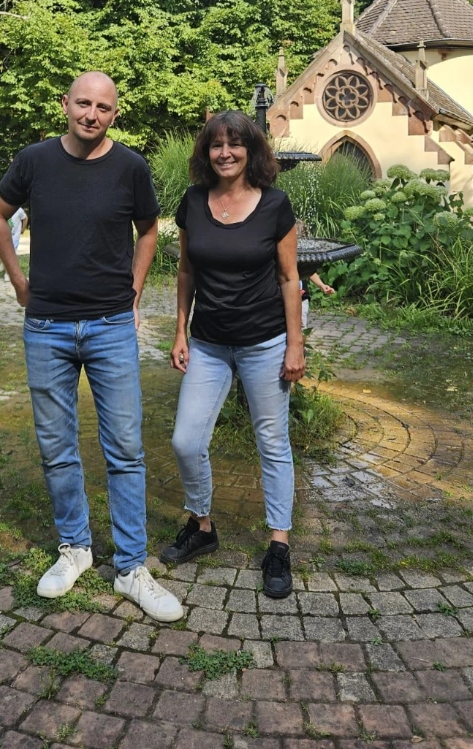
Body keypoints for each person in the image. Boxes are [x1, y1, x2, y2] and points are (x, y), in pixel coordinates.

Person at [0, 72, 183, 622]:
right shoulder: (34, 161)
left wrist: (134, 289)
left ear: (114, 114)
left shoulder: (131, 167)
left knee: (125, 449)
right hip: (47, 327)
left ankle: (130, 567)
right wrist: (18, 281)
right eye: (83, 104)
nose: (91, 115)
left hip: (110, 326)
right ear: (65, 105)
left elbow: (149, 230)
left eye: (103, 107)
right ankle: (74, 548)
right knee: (56, 445)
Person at [161, 111, 305, 599]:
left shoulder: (275, 205)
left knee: (272, 442)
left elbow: (289, 277)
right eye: (216, 145)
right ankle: (202, 526)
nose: (225, 153)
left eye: (235, 144)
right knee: (185, 440)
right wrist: (180, 331)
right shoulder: (193, 201)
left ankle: (279, 545)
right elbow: (186, 271)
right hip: (208, 343)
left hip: (264, 342)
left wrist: (295, 344)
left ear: (251, 151)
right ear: (206, 152)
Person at [0, 207, 28, 281]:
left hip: (15, 236)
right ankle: (3, 262)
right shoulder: (4, 209)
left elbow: (25, 218)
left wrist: (23, 229)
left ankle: (7, 274)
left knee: (10, 254)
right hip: (5, 234)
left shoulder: (19, 210)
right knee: (2, 253)